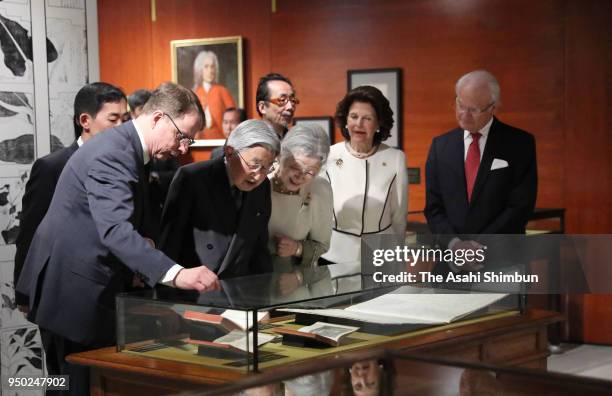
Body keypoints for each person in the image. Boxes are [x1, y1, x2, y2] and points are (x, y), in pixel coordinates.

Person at [16, 82, 219, 394]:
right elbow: (114, 230)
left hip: (84, 288)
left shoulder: (124, 146)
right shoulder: (114, 152)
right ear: (159, 119)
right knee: (75, 388)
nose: (183, 148)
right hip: (73, 295)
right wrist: (177, 274)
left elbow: (105, 221)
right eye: (183, 136)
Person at [14, 82, 129, 309]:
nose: (122, 128)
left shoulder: (126, 165)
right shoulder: (52, 167)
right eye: (113, 120)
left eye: (125, 120)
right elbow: (31, 233)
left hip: (113, 292)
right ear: (85, 121)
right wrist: (24, 294)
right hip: (62, 293)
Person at [424, 70, 537, 273]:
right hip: (450, 264)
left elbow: (520, 206)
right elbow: (434, 207)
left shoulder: (520, 143)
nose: (464, 115)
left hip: (501, 262)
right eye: (460, 105)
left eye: (474, 109)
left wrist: (478, 248)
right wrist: (455, 245)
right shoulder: (440, 146)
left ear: (492, 108)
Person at [159, 119, 280, 278]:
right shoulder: (192, 178)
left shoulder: (262, 187)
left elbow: (258, 248)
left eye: (267, 167)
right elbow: (170, 244)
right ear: (230, 153)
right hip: (195, 290)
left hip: (239, 292)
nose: (258, 175)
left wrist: (265, 293)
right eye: (254, 164)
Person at [321, 86, 408, 269]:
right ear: (345, 120)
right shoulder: (329, 155)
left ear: (378, 124)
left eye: (367, 118)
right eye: (353, 116)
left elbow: (399, 215)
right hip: (334, 255)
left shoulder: (395, 158)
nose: (359, 124)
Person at [267, 124, 332, 294]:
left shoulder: (319, 189)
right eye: (295, 167)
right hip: (255, 285)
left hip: (297, 287)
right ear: (281, 155)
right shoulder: (260, 184)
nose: (300, 176)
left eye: (310, 172)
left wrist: (297, 249)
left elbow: (322, 246)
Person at [128, 87, 180, 239]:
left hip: (159, 205)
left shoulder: (167, 139)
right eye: (141, 108)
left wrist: (157, 176)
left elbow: (176, 171)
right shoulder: (126, 144)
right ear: (132, 112)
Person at [192, 50, 236, 140]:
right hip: (200, 140)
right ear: (200, 70)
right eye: (206, 67)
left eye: (213, 67)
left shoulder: (223, 91)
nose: (210, 70)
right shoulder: (195, 93)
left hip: (221, 138)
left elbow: (234, 118)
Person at [256, 72, 298, 139]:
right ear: (262, 107)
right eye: (282, 100)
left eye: (292, 100)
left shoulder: (295, 140)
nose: (290, 107)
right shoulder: (252, 143)